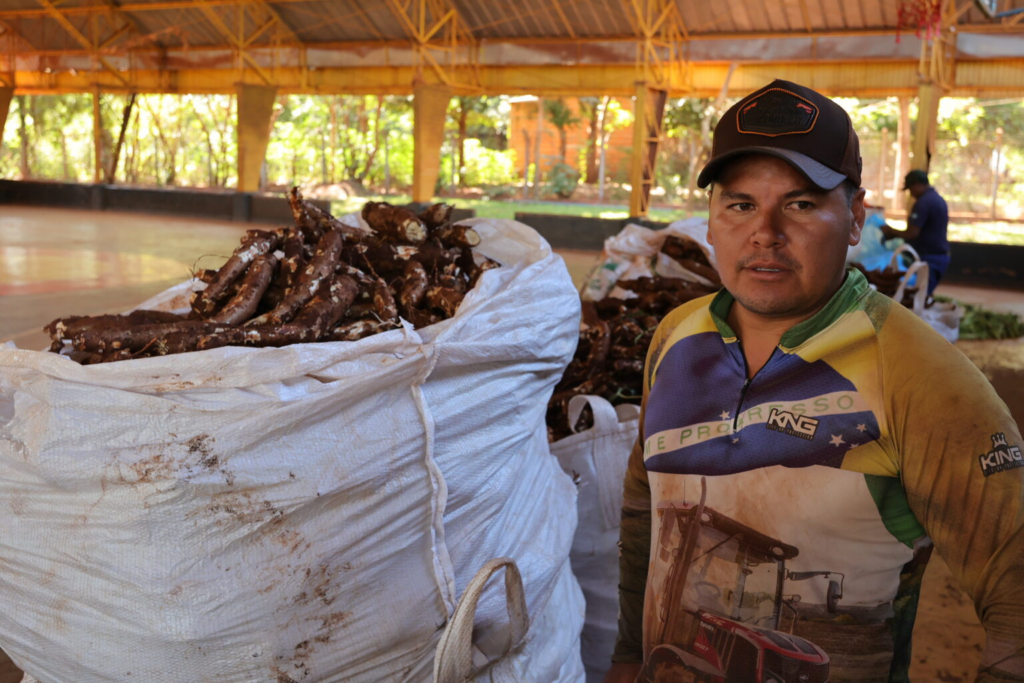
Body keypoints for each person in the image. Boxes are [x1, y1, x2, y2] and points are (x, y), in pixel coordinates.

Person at [605, 79, 1022, 683]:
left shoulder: (922, 376)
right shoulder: (675, 338)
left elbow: (1015, 591)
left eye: (800, 204)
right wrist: (626, 655)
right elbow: (644, 505)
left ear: (855, 219)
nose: (765, 232)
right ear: (711, 219)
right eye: (740, 205)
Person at [882, 169, 950, 296]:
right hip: (940, 256)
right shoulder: (938, 199)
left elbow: (912, 233)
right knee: (922, 295)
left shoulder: (923, 203)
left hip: (929, 258)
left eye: (910, 189)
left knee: (918, 296)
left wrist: (890, 230)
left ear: (917, 184)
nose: (911, 193)